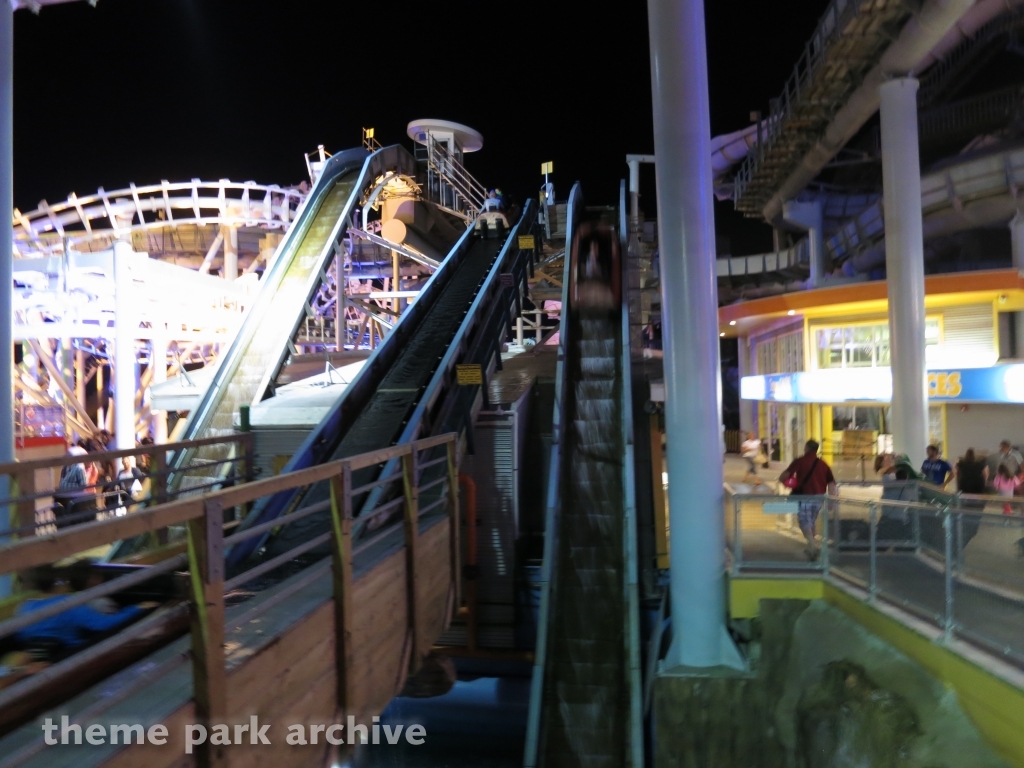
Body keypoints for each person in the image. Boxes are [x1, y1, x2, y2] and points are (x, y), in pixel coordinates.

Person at [779, 440, 836, 559]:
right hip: (820, 498)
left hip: (804, 497)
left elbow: (784, 476)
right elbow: (831, 483)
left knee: (804, 522)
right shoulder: (823, 464)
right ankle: (811, 548)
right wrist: (832, 501)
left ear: (806, 448)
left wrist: (786, 482)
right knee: (811, 522)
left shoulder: (800, 461)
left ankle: (813, 546)